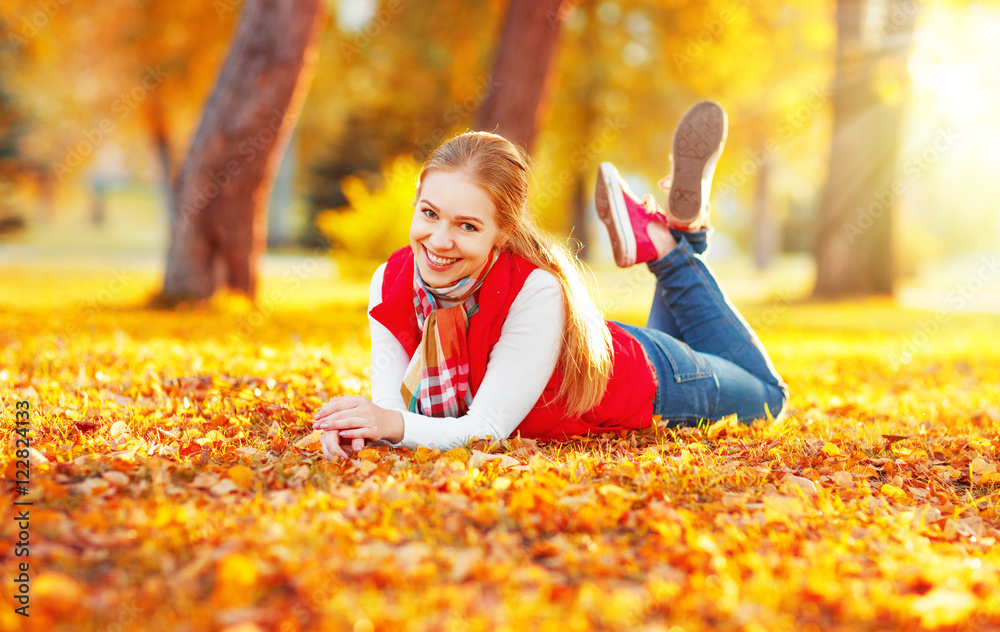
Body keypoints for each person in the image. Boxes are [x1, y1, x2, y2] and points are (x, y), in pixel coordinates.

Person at [312, 101, 788, 461]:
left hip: (653, 380)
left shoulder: (534, 291)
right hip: (618, 354)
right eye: (430, 214)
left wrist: (386, 423)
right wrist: (359, 428)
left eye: (467, 225)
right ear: (416, 203)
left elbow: (486, 428)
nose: (439, 240)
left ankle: (666, 248)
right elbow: (391, 410)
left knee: (770, 397)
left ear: (504, 233)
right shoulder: (390, 281)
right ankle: (684, 231)